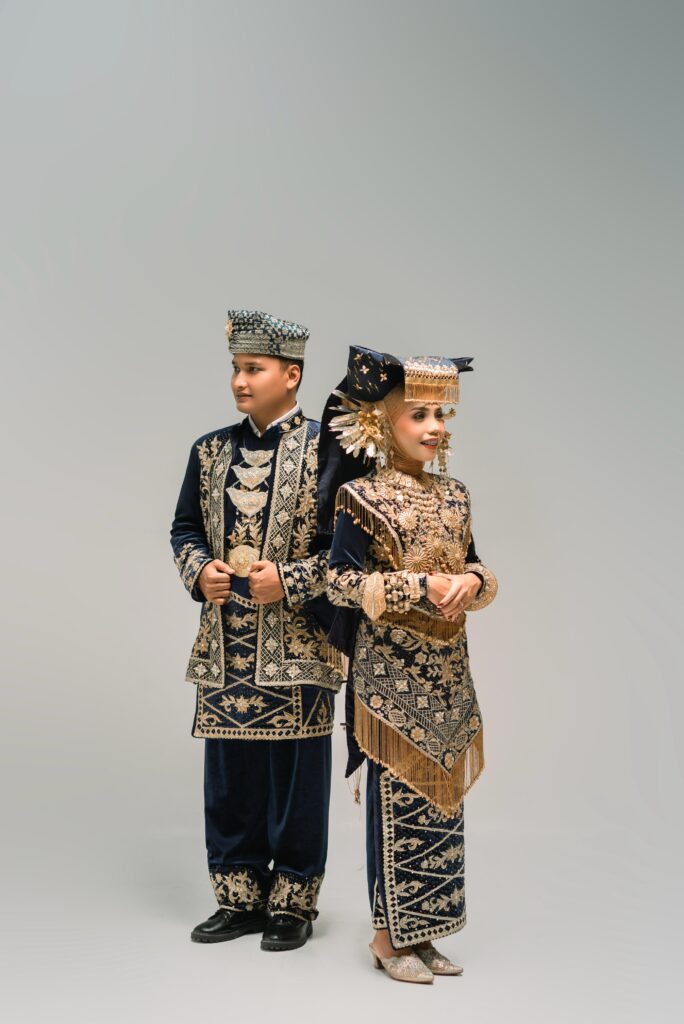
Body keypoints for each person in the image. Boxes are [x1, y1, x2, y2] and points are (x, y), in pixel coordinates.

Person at [319, 347, 498, 983]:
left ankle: (424, 932)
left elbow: (478, 566)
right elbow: (338, 582)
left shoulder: (456, 496)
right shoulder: (360, 497)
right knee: (395, 801)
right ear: (380, 421)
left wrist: (473, 583)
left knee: (442, 807)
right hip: (389, 678)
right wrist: (419, 586)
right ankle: (386, 938)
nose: (434, 427)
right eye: (418, 414)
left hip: (449, 676)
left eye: (440, 415)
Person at [170, 310, 344, 952]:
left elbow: (349, 552)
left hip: (300, 648)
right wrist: (200, 570)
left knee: (298, 781)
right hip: (224, 646)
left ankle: (293, 902)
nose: (240, 381)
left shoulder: (333, 452)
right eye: (236, 369)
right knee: (230, 777)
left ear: (291, 375)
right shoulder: (209, 450)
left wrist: (291, 580)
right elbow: (184, 528)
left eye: (254, 369)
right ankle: (238, 898)